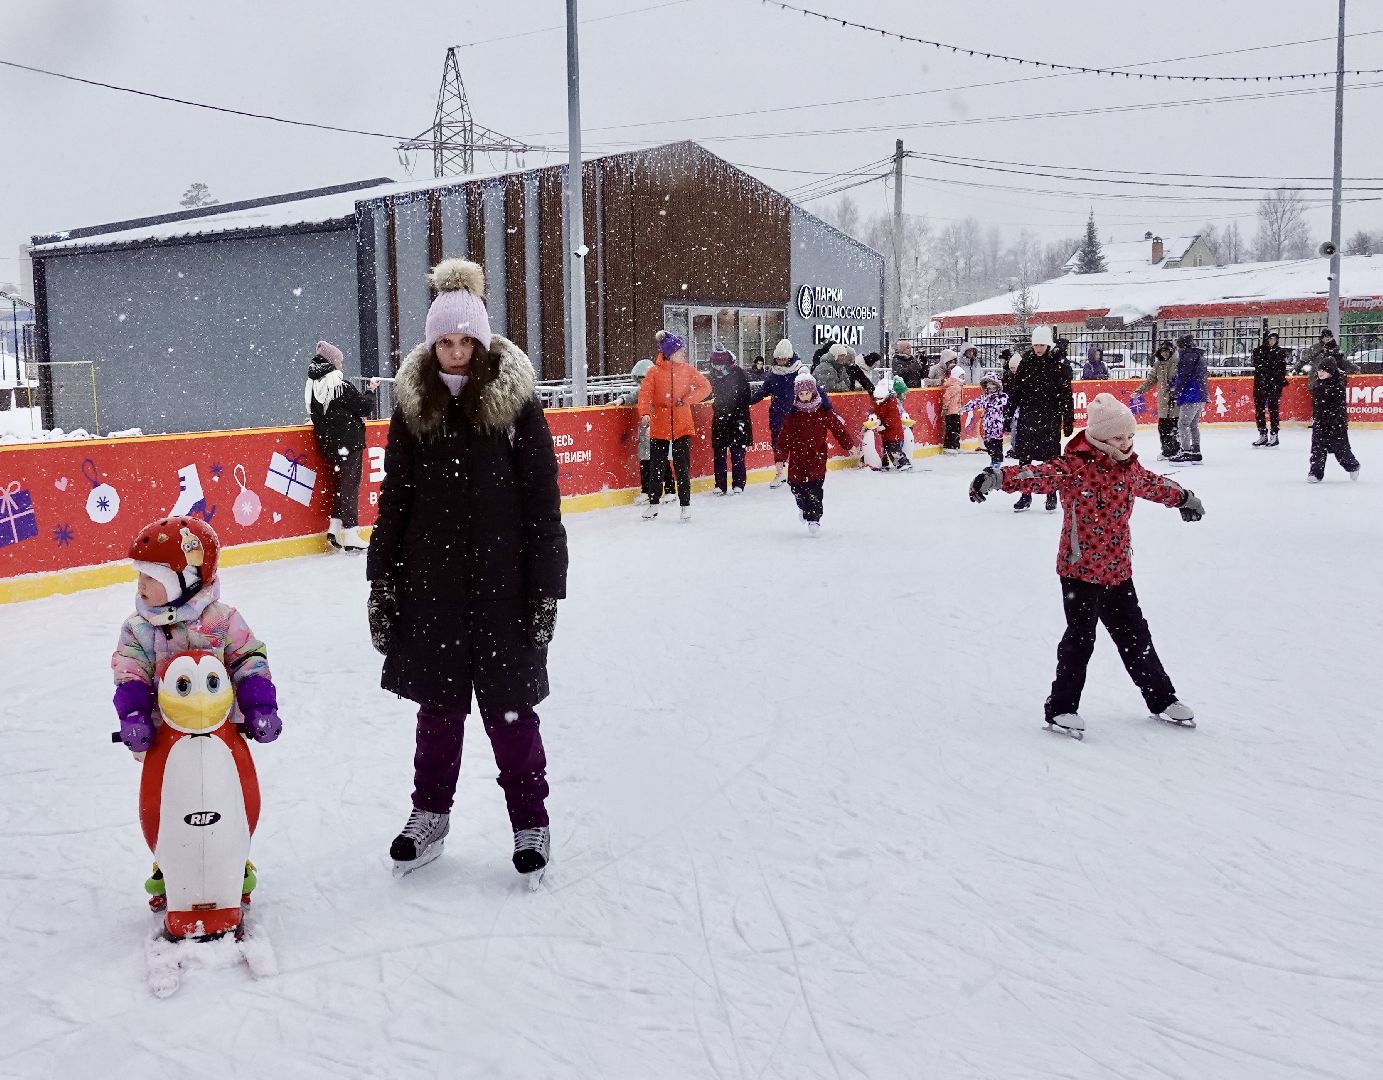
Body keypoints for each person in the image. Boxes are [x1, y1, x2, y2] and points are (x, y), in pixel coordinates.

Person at [366, 258, 568, 883]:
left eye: (465, 341)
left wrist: (546, 590)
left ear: (481, 342)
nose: (455, 353)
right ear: (432, 346)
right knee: (438, 711)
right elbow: (396, 498)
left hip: (505, 586)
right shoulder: (414, 408)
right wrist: (383, 581)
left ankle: (531, 821)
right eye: (445, 342)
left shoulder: (515, 405)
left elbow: (542, 498)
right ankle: (429, 815)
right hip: (433, 589)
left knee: (511, 712)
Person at [968, 393, 1204, 738]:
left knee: (1136, 637)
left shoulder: (1129, 468)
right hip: (1079, 570)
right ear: (1100, 437)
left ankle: (1162, 699)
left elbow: (1155, 485)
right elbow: (1037, 475)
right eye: (1118, 437)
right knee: (1080, 640)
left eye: (1129, 436)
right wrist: (998, 477)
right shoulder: (1076, 466)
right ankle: (1062, 708)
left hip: (1118, 569)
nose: (1126, 444)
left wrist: (1184, 498)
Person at [112, 516, 282, 908]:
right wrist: (134, 715)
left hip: (223, 734)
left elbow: (249, 659)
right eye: (140, 575)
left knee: (228, 796)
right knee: (170, 801)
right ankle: (169, 862)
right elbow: (130, 671)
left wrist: (260, 705)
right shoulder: (138, 628)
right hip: (163, 737)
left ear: (186, 578)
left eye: (151, 577)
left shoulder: (221, 619)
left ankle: (233, 857)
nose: (140, 585)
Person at [305, 340, 378, 551]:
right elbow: (364, 408)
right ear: (333, 362)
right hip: (349, 442)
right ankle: (351, 532)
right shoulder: (340, 386)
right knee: (350, 486)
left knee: (341, 486)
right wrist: (371, 391)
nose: (342, 365)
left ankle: (334, 529)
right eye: (340, 362)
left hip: (330, 445)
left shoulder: (314, 388)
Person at [638, 330, 712, 522]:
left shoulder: (688, 370)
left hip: (682, 424)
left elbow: (706, 387)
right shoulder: (654, 372)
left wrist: (688, 399)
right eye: (680, 351)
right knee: (657, 467)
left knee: (682, 468)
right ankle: (653, 504)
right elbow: (645, 394)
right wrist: (644, 413)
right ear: (670, 353)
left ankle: (685, 505)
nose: (683, 354)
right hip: (659, 425)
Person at [774, 370, 855, 536]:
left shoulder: (823, 411)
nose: (804, 397)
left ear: (813, 392)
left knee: (815, 489)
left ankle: (814, 519)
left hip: (817, 457)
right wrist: (780, 458)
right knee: (796, 488)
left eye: (807, 393)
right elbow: (784, 437)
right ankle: (804, 509)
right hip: (797, 458)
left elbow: (838, 429)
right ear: (797, 395)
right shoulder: (793, 414)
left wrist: (849, 445)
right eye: (801, 394)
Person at [1003, 326, 1074, 512]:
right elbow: (1016, 392)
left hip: (1050, 419)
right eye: (1036, 345)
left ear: (1048, 345)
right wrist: (1008, 415)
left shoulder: (1058, 365)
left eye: (1042, 345)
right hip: (1028, 418)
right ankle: (1025, 494)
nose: (1038, 348)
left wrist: (1068, 419)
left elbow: (1066, 395)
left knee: (1051, 461)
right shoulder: (1026, 363)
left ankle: (1051, 494)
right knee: (1024, 460)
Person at [752, 339, 832, 488]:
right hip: (777, 415)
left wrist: (827, 406)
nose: (781, 362)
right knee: (778, 444)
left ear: (790, 358)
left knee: (800, 446)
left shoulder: (800, 372)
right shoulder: (773, 374)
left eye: (783, 359)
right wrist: (748, 401)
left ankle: (803, 473)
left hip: (797, 415)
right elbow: (764, 391)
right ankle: (780, 473)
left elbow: (816, 390)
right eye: (778, 359)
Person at [619, 358, 673, 505]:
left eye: (645, 378)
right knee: (645, 463)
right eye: (640, 378)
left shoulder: (661, 391)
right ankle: (646, 491)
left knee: (662, 462)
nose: (643, 381)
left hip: (659, 431)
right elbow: (632, 396)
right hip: (645, 434)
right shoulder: (642, 390)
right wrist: (621, 400)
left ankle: (670, 490)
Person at [1307, 343, 1362, 483]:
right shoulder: (1318, 385)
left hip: (1336, 423)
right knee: (1317, 448)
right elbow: (1317, 406)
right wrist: (1317, 418)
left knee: (1340, 449)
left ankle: (1353, 466)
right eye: (1319, 370)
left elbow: (1339, 407)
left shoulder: (1337, 386)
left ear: (1331, 372)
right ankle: (1315, 473)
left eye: (1324, 371)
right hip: (1320, 422)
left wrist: (1334, 419)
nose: (1320, 373)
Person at [708, 345, 753, 495]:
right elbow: (707, 393)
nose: (718, 368)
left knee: (737, 453)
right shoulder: (713, 376)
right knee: (719, 454)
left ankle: (738, 484)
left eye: (721, 365)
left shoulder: (739, 374)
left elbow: (746, 397)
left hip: (737, 418)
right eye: (715, 364)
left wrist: (740, 417)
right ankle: (720, 485)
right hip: (720, 419)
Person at [1134, 340, 1181, 460]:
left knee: (1175, 426)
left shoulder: (1178, 363)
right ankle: (1166, 450)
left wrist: (1176, 389)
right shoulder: (1158, 364)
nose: (1164, 354)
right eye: (1162, 351)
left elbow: (1182, 379)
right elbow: (1151, 380)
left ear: (1171, 351)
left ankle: (1176, 449)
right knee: (1163, 427)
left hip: (1175, 400)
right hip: (1163, 401)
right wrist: (1140, 390)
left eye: (1167, 351)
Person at [1169, 334, 1208, 464]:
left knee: (1183, 424)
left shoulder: (1187, 357)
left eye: (1178, 346)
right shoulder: (1198, 355)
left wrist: (1176, 390)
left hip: (1190, 395)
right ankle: (1196, 451)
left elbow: (1183, 377)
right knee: (1193, 425)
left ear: (1182, 345)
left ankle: (1186, 452)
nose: (1177, 349)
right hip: (1200, 395)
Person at [1250, 329, 1289, 447]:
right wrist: (1271, 371)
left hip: (1274, 385)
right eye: (1270, 339)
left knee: (1273, 409)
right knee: (1259, 410)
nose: (1272, 341)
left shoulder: (1280, 352)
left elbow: (1282, 368)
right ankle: (1262, 433)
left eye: (1274, 339)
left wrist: (1277, 379)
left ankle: (1274, 434)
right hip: (1261, 384)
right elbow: (1259, 366)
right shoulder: (1258, 351)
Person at [962, 370, 1009, 465]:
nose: (990, 386)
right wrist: (966, 408)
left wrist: (1008, 418)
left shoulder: (1002, 397)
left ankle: (997, 461)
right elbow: (976, 402)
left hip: (997, 425)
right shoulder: (986, 397)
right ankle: (994, 459)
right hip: (988, 424)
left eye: (992, 384)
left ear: (997, 385)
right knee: (988, 443)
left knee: (996, 443)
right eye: (988, 384)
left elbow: (1008, 407)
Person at [868, 377, 912, 470]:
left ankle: (903, 463)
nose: (878, 400)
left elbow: (892, 420)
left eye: (880, 398)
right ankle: (885, 464)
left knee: (894, 451)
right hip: (884, 434)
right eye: (876, 398)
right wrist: (876, 419)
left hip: (893, 434)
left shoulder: (891, 404)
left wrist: (883, 425)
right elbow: (876, 413)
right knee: (883, 449)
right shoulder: (878, 404)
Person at [941, 364, 966, 453]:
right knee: (952, 429)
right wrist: (945, 408)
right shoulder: (954, 386)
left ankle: (955, 445)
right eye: (961, 375)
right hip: (951, 411)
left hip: (956, 411)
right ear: (956, 375)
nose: (963, 377)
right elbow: (946, 397)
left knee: (956, 428)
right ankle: (949, 446)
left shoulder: (958, 385)